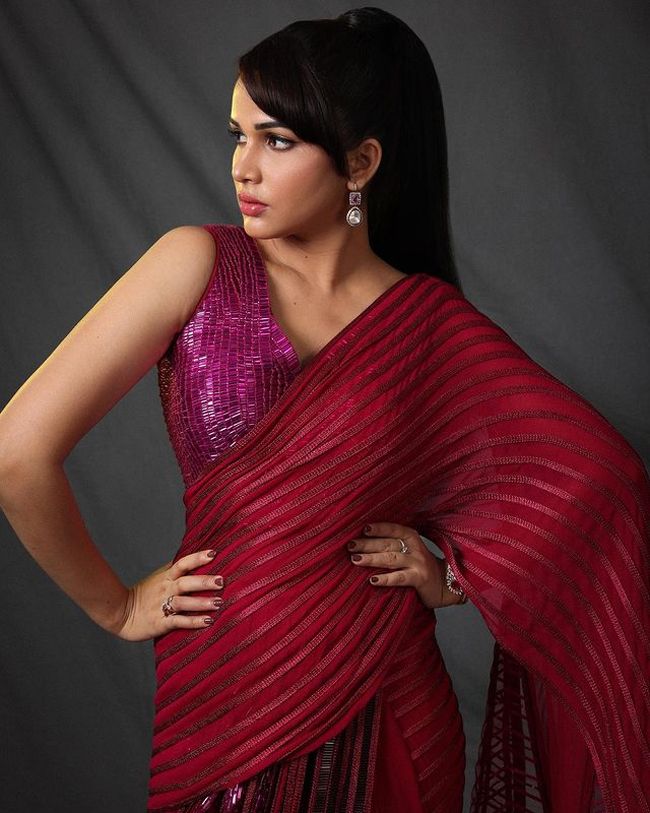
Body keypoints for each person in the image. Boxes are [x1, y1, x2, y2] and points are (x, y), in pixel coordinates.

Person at [0, 6, 648, 813]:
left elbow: (599, 482)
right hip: (228, 692)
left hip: (389, 695)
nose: (244, 167)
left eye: (276, 141)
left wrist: (450, 575)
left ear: (360, 162)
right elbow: (16, 452)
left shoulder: (427, 323)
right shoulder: (197, 264)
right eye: (237, 136)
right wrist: (117, 603)